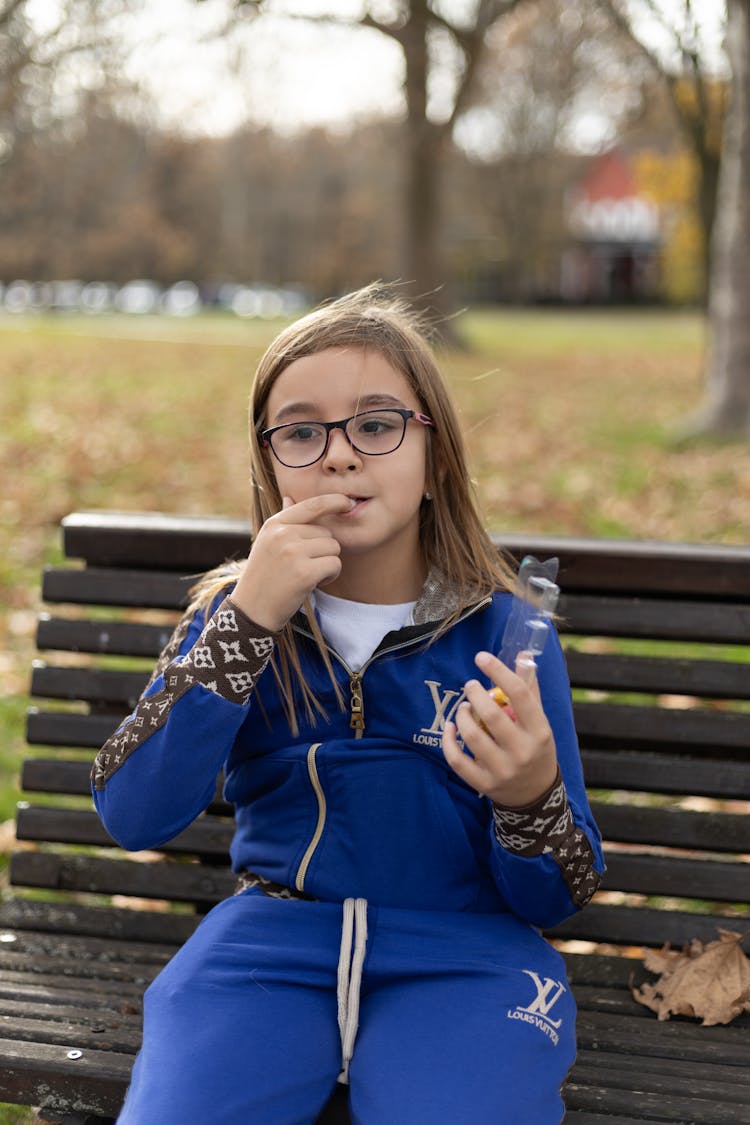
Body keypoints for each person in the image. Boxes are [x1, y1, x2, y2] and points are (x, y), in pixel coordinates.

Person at [92, 284, 604, 1125]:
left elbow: (561, 890)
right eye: (301, 431)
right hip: (268, 949)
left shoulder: (507, 633)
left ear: (436, 458)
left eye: (376, 424)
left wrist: (528, 795)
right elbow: (132, 810)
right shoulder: (239, 615)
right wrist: (246, 620)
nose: (338, 455)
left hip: (467, 959)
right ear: (270, 466)